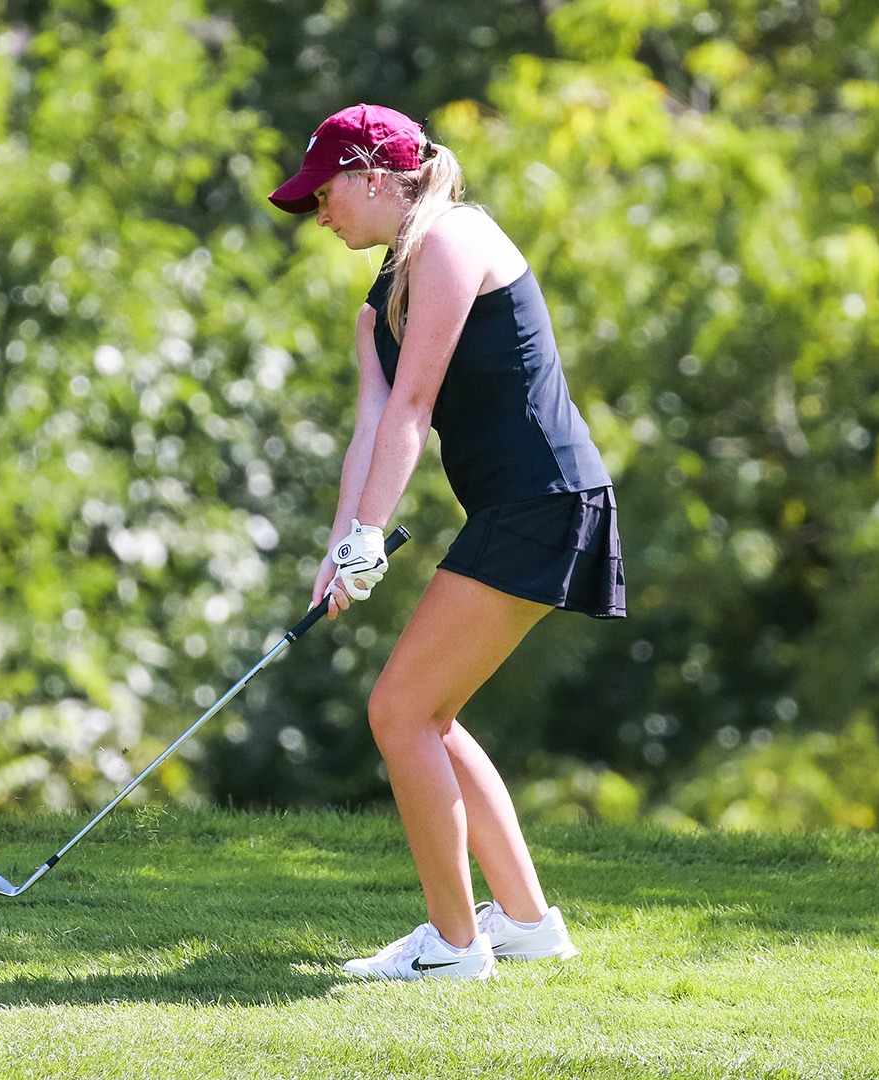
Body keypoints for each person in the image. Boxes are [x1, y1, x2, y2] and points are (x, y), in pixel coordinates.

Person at [268, 103, 625, 982]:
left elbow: (415, 406)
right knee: (426, 714)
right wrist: (340, 545)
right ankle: (527, 923)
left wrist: (370, 535)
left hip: (545, 498)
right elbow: (371, 426)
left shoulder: (454, 239)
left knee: (399, 713)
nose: (318, 211)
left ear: (372, 177)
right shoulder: (380, 299)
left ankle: (456, 947)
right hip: (519, 506)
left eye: (323, 192)